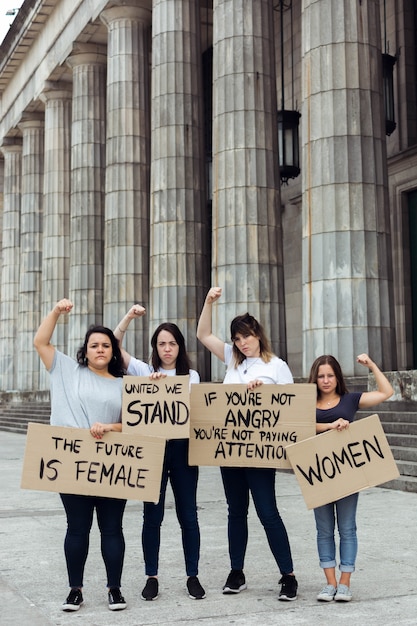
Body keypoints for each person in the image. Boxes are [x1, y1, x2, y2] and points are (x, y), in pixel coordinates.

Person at [196, 286, 298, 601]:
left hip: (260, 454)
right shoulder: (232, 360)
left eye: (247, 337)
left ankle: (288, 575)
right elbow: (203, 335)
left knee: (268, 512)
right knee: (235, 511)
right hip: (230, 452)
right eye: (238, 339)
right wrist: (208, 303)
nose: (242, 343)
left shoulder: (276, 366)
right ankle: (236, 571)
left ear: (258, 335)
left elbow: (290, 407)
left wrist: (263, 393)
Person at [33, 298, 128, 612]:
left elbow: (135, 424)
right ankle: (75, 589)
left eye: (106, 345)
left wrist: (110, 426)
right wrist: (56, 313)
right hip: (73, 462)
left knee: (112, 528)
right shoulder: (64, 369)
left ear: (113, 352)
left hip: (112, 462)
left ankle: (114, 588)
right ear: (85, 351)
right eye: (94, 345)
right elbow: (40, 341)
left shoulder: (124, 385)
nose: (100, 349)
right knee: (77, 527)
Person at [114, 305, 206, 601]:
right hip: (153, 450)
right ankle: (151, 576)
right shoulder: (144, 370)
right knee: (151, 517)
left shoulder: (191, 376)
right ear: (155, 347)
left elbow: (199, 415)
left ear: (180, 347)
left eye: (173, 343)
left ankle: (192, 575)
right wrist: (128, 317)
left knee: (188, 515)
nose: (167, 349)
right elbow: (115, 346)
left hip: (183, 451)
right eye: (162, 343)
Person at [307, 353, 394, 602]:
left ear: (337, 377)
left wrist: (372, 366)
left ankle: (344, 583)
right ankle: (329, 583)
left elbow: (385, 392)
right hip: (318, 475)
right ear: (315, 378)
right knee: (323, 530)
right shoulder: (306, 404)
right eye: (321, 376)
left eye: (330, 375)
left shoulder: (350, 399)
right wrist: (330, 425)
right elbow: (294, 425)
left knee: (347, 529)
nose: (325, 380)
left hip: (347, 474)